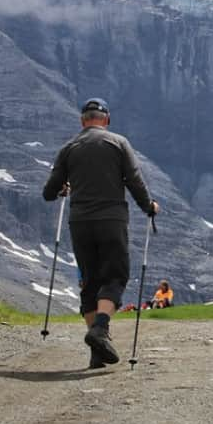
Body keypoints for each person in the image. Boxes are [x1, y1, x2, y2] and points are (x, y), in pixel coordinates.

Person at [42, 97, 160, 370]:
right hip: (111, 219)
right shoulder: (118, 143)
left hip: (80, 222)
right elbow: (133, 179)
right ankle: (100, 329)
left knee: (90, 281)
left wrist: (63, 189)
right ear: (106, 120)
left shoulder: (69, 148)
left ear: (82, 121)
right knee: (115, 275)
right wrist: (148, 206)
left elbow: (49, 192)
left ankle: (97, 352)